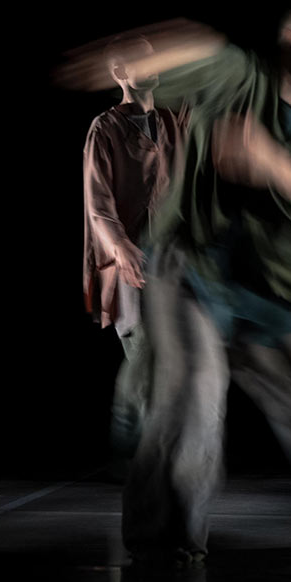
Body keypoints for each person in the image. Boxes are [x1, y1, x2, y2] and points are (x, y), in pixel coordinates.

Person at [64, 3, 291, 562]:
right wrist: (155, 50)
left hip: (271, 287)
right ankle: (163, 538)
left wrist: (270, 161)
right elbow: (197, 64)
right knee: (190, 397)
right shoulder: (241, 75)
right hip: (192, 269)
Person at [82, 36, 187, 465]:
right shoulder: (105, 127)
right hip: (130, 256)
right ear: (120, 73)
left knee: (175, 353)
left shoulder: (173, 121)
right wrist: (120, 243)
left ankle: (162, 451)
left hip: (175, 256)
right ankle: (138, 455)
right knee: (141, 348)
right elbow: (97, 201)